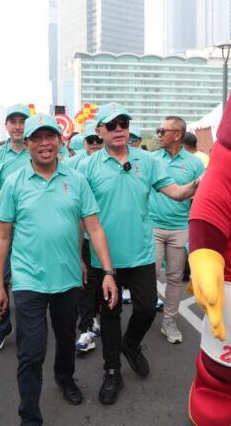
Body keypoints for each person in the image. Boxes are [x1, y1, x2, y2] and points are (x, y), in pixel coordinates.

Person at [0, 113, 118, 426]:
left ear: (60, 141)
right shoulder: (14, 182)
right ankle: (29, 416)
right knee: (31, 352)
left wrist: (108, 272)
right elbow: (3, 236)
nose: (44, 144)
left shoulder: (76, 181)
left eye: (50, 137)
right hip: (27, 280)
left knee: (65, 338)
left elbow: (94, 227)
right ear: (28, 144)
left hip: (68, 279)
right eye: (36, 138)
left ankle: (65, 377)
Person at [77, 102, 198, 404]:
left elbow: (178, 192)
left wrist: (200, 182)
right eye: (112, 124)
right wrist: (77, 254)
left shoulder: (148, 160)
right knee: (110, 315)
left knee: (145, 309)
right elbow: (78, 215)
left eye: (123, 123)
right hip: (104, 259)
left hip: (142, 254)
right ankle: (112, 371)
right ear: (99, 130)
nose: (119, 129)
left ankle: (130, 345)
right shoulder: (86, 166)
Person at [0, 103, 31, 353]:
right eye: (13, 121)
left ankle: (31, 328)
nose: (18, 126)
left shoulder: (38, 149)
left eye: (23, 121)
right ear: (7, 126)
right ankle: (1, 327)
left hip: (33, 224)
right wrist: (12, 195)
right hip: (2, 222)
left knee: (30, 278)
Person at [150, 116, 204, 344]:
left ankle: (169, 320)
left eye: (163, 130)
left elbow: (202, 199)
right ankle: (144, 315)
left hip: (180, 228)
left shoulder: (194, 164)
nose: (159, 134)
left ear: (178, 135)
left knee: (174, 278)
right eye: (158, 129)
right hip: (151, 226)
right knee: (148, 275)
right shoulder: (151, 159)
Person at [69, 120, 104, 352]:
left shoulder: (116, 163)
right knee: (87, 282)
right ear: (85, 142)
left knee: (103, 281)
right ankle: (86, 327)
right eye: (91, 140)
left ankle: (95, 316)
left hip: (106, 234)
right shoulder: (73, 165)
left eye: (98, 140)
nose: (95, 144)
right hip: (84, 234)